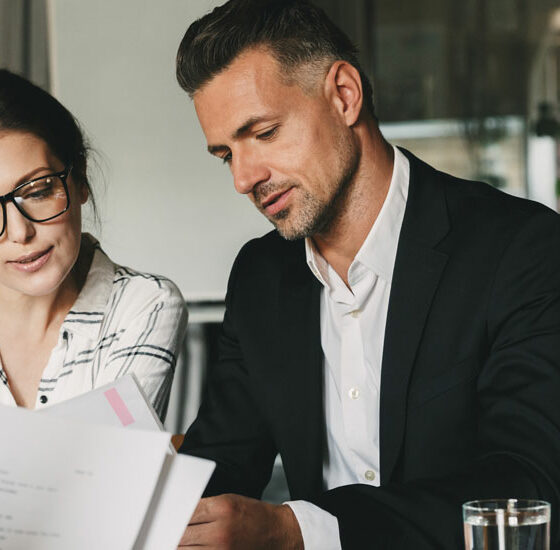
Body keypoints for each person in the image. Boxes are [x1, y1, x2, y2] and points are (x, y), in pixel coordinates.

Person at [175, 0, 560, 548]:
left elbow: (531, 486)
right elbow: (218, 465)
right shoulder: (260, 277)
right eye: (224, 154)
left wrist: (295, 530)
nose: (243, 177)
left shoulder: (521, 249)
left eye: (263, 133)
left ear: (344, 95)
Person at [0, 69, 187, 420]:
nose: (19, 232)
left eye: (38, 191)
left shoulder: (142, 306)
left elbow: (104, 469)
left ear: (80, 179)